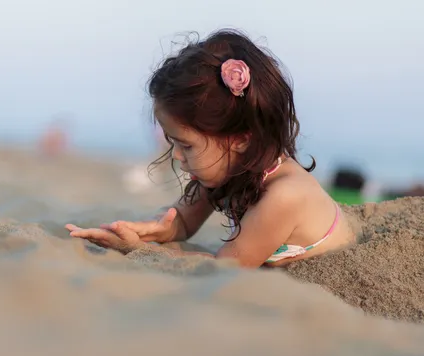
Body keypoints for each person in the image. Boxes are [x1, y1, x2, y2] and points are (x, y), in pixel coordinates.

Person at [65, 29, 355, 268]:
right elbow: (183, 222)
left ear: (241, 138)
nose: (178, 156)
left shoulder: (284, 195)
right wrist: (155, 228)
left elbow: (224, 266)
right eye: (173, 142)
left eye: (186, 145)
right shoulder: (229, 166)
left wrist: (136, 249)